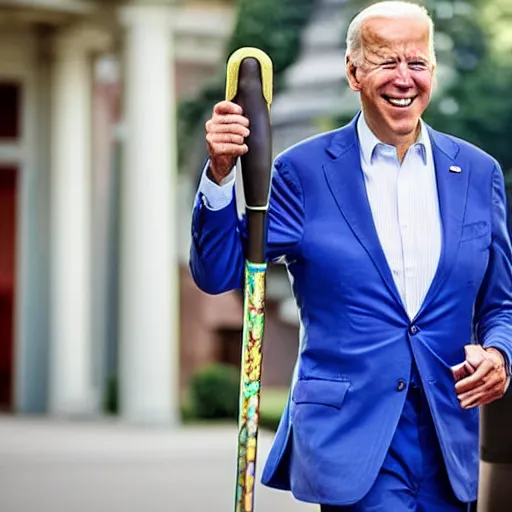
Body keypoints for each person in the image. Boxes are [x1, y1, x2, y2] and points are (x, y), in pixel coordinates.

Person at [189, 1, 512, 510]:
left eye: (418, 62)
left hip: (448, 439)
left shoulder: (478, 172)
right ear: (353, 71)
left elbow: (501, 304)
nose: (404, 78)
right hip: (354, 438)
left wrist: (499, 354)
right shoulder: (304, 172)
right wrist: (222, 175)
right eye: (387, 61)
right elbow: (221, 271)